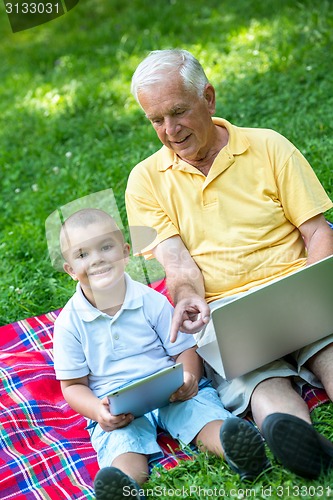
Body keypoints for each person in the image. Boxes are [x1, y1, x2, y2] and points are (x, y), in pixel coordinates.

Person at [125, 49, 333, 479]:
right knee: (260, 382)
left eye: (178, 112)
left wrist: (317, 292)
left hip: (296, 286)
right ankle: (301, 444)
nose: (169, 131)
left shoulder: (268, 145)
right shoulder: (143, 182)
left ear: (209, 98)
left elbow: (317, 232)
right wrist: (187, 300)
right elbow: (177, 265)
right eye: (155, 120)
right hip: (226, 311)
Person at [53, 208, 268, 500]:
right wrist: (97, 412)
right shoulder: (69, 324)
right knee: (123, 444)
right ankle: (125, 487)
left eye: (106, 247)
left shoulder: (149, 300)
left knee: (200, 414)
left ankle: (238, 451)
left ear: (125, 251)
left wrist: (190, 376)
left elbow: (183, 349)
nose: (97, 259)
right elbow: (73, 386)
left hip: (168, 388)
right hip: (117, 405)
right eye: (82, 255)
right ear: (69, 270)